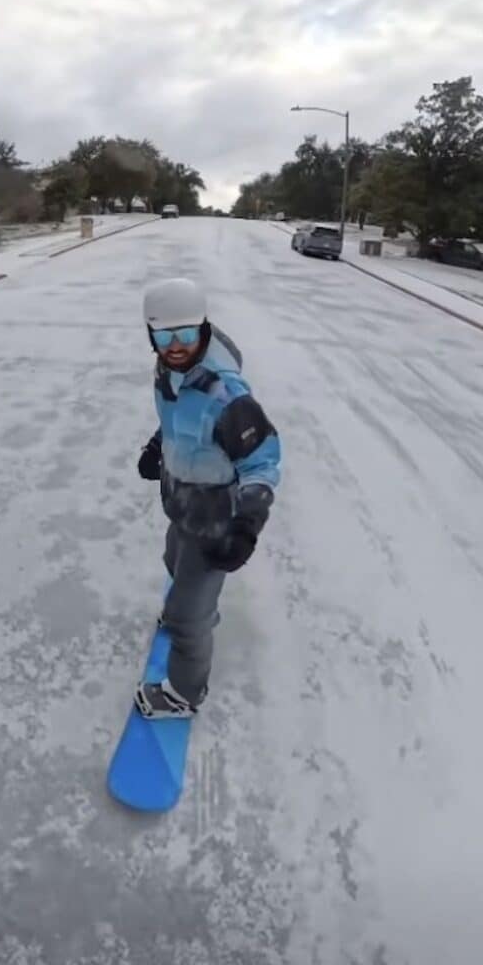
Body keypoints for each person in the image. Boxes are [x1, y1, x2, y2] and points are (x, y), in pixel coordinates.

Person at [133, 278, 281, 719]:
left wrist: (246, 526)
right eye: (164, 336)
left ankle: (184, 693)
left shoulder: (226, 395)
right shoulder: (168, 370)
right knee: (172, 560)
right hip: (182, 502)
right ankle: (194, 608)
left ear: (203, 327)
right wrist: (157, 446)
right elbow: (179, 416)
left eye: (185, 334)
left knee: (186, 619)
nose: (176, 346)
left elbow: (262, 463)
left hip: (217, 519)